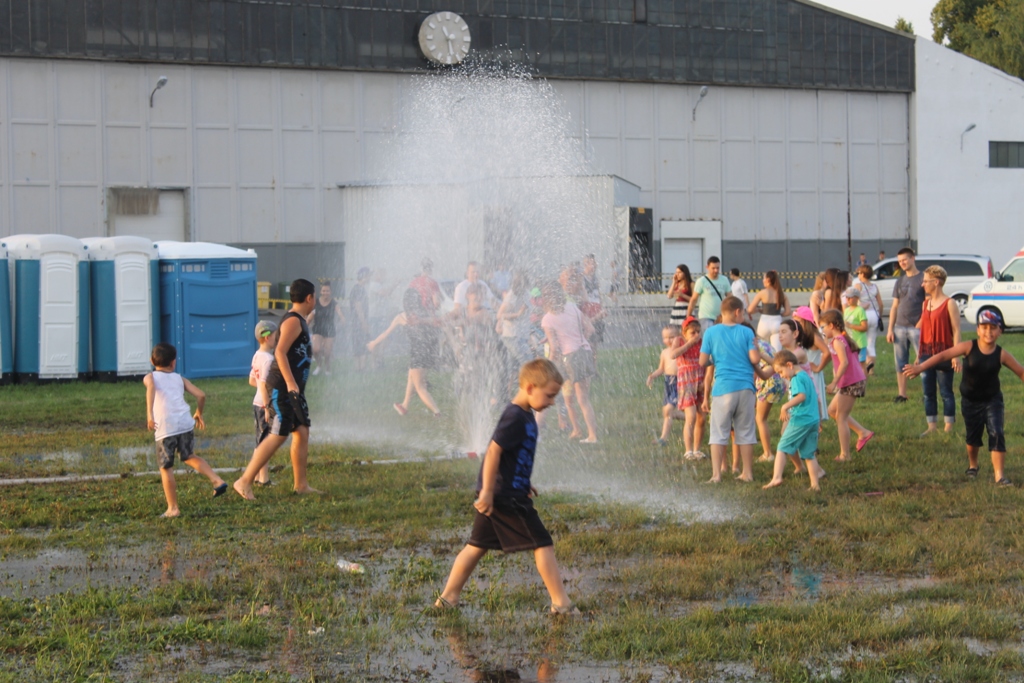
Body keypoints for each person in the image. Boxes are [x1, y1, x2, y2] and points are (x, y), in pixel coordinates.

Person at [434, 358, 578, 614]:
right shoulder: (514, 416)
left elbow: (513, 456)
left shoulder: (525, 414)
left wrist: (524, 481)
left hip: (506, 491)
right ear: (531, 387)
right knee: (542, 542)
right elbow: (492, 453)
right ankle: (561, 602)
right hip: (504, 497)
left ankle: (448, 597)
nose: (552, 402)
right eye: (549, 395)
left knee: (476, 545)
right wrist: (488, 491)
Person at [904, 310, 1024, 486]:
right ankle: (973, 465)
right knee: (973, 438)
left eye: (993, 328)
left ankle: (1000, 476)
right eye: (984, 327)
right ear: (977, 330)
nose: (988, 332)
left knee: (996, 432)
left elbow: (1021, 372)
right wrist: (920, 367)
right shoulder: (968, 347)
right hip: (971, 401)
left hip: (993, 401)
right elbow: (944, 355)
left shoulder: (1001, 354)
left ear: (1000, 331)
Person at [234, 279, 320, 500]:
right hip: (282, 386)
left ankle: (301, 485)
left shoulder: (300, 320)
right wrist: (291, 383)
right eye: (315, 296)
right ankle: (244, 481)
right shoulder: (292, 321)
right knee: (278, 434)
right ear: (309, 298)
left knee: (301, 431)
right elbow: (280, 353)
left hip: (294, 389)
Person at [144, 343, 227, 517]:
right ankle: (216, 480)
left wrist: (150, 415)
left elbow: (151, 389)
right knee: (189, 456)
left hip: (166, 426)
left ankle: (173, 508)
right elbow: (201, 395)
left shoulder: (150, 377)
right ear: (173, 363)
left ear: (152, 361)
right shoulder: (179, 378)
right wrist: (199, 413)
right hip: (185, 423)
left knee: (166, 467)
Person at [699, 296, 772, 482]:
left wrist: (717, 358)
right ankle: (747, 473)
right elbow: (755, 360)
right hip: (746, 388)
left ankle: (716, 475)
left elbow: (702, 362)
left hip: (723, 388)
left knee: (718, 432)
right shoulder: (747, 333)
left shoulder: (710, 332)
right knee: (745, 432)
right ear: (737, 312)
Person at [369, 288, 442, 417]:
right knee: (411, 375)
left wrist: (374, 343)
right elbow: (435, 323)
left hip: (418, 352)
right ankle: (404, 406)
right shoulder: (424, 313)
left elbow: (386, 333)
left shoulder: (402, 317)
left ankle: (437, 413)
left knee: (420, 387)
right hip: (429, 351)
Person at [541, 284, 598, 443]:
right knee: (583, 399)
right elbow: (590, 329)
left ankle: (584, 433)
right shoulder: (572, 307)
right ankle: (586, 433)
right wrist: (581, 341)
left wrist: (549, 365)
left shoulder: (548, 318)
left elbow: (555, 347)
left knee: (563, 396)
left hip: (568, 359)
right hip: (584, 352)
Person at [763, 350, 827, 491]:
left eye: (781, 372)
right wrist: (820, 419)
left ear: (789, 365)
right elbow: (816, 399)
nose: (781, 375)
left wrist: (785, 406)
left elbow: (801, 396)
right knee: (809, 454)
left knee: (782, 447)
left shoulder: (796, 378)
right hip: (813, 420)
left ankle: (776, 478)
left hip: (800, 419)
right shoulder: (807, 376)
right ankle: (815, 485)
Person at [820, 309, 874, 462]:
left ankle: (845, 454)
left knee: (841, 417)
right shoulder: (840, 338)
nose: (822, 330)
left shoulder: (838, 341)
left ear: (831, 326)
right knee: (832, 411)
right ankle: (862, 432)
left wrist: (833, 383)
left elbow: (844, 363)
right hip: (850, 381)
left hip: (851, 383)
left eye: (823, 327)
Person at [916, 265, 961, 436]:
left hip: (945, 352)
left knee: (946, 391)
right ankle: (931, 426)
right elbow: (923, 331)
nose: (923, 284)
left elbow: (956, 330)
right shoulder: (925, 304)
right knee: (928, 392)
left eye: (926, 281)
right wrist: (918, 354)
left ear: (936, 282)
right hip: (926, 353)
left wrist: (956, 355)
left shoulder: (950, 304)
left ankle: (948, 426)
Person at [887, 247, 925, 403]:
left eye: (904, 260)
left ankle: (927, 393)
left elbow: (927, 303)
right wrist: (890, 328)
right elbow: (894, 306)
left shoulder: (923, 278)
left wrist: (920, 323)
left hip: (917, 327)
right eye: (899, 261)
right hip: (899, 327)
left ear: (912, 258)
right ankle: (902, 394)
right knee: (900, 361)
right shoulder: (900, 281)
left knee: (923, 360)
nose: (902, 263)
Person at [249, 320, 279, 487]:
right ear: (267, 337)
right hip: (264, 405)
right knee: (265, 444)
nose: (277, 338)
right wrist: (268, 407)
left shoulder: (257, 355)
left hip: (257, 403)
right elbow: (262, 383)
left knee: (260, 440)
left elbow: (252, 380)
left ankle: (255, 475)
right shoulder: (268, 359)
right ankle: (264, 479)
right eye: (275, 335)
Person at [673, 318, 707, 461]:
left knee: (702, 417)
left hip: (699, 378)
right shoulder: (679, 341)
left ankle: (697, 449)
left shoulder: (702, 342)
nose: (696, 335)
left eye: (698, 332)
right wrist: (689, 343)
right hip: (686, 380)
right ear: (684, 333)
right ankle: (688, 450)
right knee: (691, 416)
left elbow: (707, 361)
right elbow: (673, 354)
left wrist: (705, 381)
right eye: (692, 332)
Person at [792, 306, 831, 422]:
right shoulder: (801, 337)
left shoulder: (814, 337)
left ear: (804, 321)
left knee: (814, 401)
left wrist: (819, 367)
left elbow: (827, 353)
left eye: (797, 321)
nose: (795, 324)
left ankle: (816, 425)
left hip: (813, 375)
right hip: (804, 373)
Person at [647, 326, 684, 446]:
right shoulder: (664, 352)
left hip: (680, 382)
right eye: (665, 338)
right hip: (669, 382)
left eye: (672, 337)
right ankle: (663, 439)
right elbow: (661, 368)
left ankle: (689, 418)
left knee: (668, 410)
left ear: (679, 337)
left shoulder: (681, 350)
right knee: (666, 412)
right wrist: (652, 376)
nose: (669, 340)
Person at [753, 333, 786, 463]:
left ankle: (768, 453)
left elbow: (754, 368)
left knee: (760, 418)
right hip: (779, 380)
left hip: (767, 381)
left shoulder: (752, 346)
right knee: (762, 418)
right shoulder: (764, 343)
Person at [747, 270, 790, 350]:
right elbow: (787, 312)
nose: (762, 280)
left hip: (764, 323)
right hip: (777, 322)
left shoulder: (762, 293)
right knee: (776, 352)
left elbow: (750, 310)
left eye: (763, 278)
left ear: (768, 280)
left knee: (763, 351)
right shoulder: (781, 294)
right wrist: (779, 314)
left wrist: (759, 310)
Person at [310, 281, 345, 377]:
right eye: (324, 291)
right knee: (316, 350)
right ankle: (319, 365)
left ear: (331, 292)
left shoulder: (334, 303)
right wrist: (304, 324)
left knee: (327, 352)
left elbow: (340, 313)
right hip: (318, 329)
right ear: (321, 291)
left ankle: (328, 368)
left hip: (330, 329)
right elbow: (310, 316)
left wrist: (342, 319)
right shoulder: (316, 302)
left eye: (328, 291)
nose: (326, 293)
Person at [687, 256, 731, 332]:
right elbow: (694, 299)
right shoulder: (701, 281)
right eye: (713, 268)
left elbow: (730, 298)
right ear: (707, 267)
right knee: (710, 337)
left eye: (718, 268)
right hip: (706, 316)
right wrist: (688, 316)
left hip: (721, 316)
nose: (716, 270)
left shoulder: (724, 280)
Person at [853, 265, 883, 375]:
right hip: (874, 315)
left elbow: (854, 301)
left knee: (860, 342)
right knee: (871, 343)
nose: (858, 275)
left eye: (859, 273)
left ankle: (861, 368)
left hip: (863, 315)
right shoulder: (874, 286)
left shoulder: (858, 286)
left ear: (862, 274)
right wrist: (879, 315)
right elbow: (880, 304)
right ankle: (871, 370)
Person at [581, 255, 607, 351]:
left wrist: (602, 308)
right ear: (586, 264)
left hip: (598, 314)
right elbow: (584, 299)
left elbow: (599, 295)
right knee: (588, 343)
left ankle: (593, 365)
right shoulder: (582, 279)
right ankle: (586, 364)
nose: (595, 265)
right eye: (592, 263)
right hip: (589, 315)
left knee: (595, 345)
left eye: (595, 263)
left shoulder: (595, 278)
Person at [349, 267, 372, 372]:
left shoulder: (359, 288)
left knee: (358, 343)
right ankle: (361, 367)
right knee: (362, 342)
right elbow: (358, 306)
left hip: (356, 322)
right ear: (364, 276)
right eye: (368, 276)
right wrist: (364, 323)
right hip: (359, 322)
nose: (369, 278)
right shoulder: (358, 289)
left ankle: (359, 368)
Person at [842, 287, 869, 372]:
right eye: (847, 297)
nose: (848, 299)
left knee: (861, 364)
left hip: (859, 343)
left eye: (850, 297)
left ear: (857, 298)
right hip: (849, 342)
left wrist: (851, 326)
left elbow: (864, 327)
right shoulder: (846, 310)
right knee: (851, 363)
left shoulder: (860, 310)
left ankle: (863, 383)